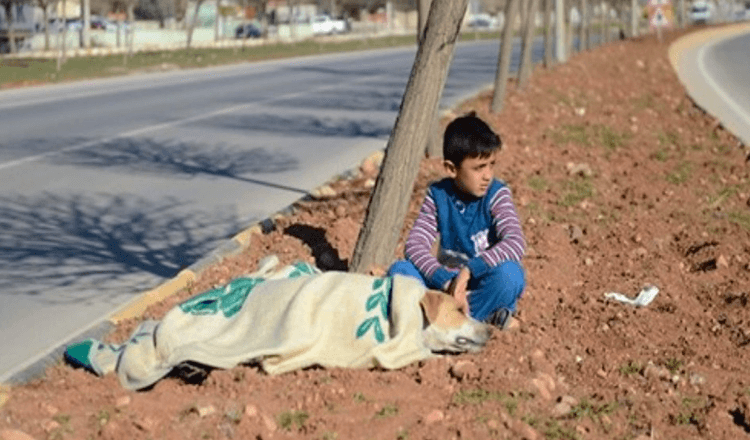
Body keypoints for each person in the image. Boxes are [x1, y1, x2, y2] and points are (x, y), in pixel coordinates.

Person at [388, 113, 526, 329]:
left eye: (491, 164)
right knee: (400, 270)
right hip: (445, 284)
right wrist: (446, 280)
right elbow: (415, 245)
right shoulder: (438, 195)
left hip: (480, 281)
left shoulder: (497, 194)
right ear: (452, 169)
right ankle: (476, 317)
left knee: (510, 275)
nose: (488, 175)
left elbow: (515, 243)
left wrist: (469, 270)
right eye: (479, 168)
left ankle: (440, 320)